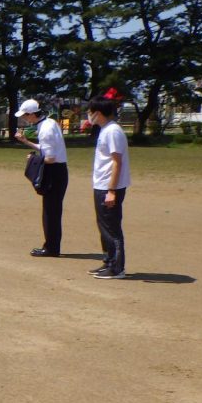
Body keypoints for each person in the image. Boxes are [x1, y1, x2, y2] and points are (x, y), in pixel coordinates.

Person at [14, 98, 69, 257]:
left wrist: (32, 159)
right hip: (59, 171)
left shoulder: (45, 129)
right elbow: (46, 150)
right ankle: (52, 246)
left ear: (32, 114)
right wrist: (26, 142)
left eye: (25, 116)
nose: (24, 119)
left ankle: (51, 248)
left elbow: (50, 158)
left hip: (54, 172)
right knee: (53, 210)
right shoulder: (49, 123)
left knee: (50, 212)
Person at [88, 95, 131, 279]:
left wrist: (111, 191)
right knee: (103, 225)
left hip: (109, 186)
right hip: (101, 185)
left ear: (98, 113)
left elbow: (117, 162)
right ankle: (108, 261)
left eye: (90, 112)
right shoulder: (105, 130)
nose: (88, 116)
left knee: (112, 227)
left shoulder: (113, 131)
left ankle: (117, 268)